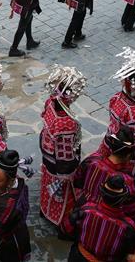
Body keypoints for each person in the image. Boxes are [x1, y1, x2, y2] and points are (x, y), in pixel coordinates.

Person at [38, 66, 86, 229]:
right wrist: (68, 173)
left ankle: (45, 209)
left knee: (47, 182)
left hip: (47, 154)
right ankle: (58, 219)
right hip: (59, 165)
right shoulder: (67, 123)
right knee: (61, 193)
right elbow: (66, 154)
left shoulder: (50, 102)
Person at [62, 174, 135, 262]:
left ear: (102, 194)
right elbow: (130, 252)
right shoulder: (127, 226)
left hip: (78, 258)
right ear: (123, 199)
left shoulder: (85, 210)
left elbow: (66, 229)